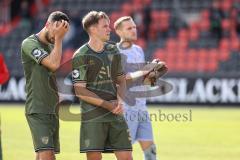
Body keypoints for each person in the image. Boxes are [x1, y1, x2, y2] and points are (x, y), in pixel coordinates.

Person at [72, 11, 132, 160]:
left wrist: (119, 101)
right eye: (105, 26)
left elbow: (121, 80)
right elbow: (80, 90)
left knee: (127, 157)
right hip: (93, 117)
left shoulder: (113, 50)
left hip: (115, 115)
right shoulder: (81, 55)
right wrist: (108, 105)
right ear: (93, 29)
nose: (109, 29)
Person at [21, 11, 69, 160]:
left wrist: (57, 95)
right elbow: (54, 65)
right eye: (57, 30)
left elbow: (51, 75)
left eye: (63, 32)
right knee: (46, 155)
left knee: (46, 155)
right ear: (47, 24)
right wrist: (60, 39)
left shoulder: (50, 48)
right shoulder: (29, 43)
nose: (58, 36)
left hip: (51, 109)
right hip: (38, 108)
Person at [114, 16, 158, 160]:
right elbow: (120, 78)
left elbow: (144, 81)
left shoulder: (138, 50)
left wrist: (154, 74)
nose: (134, 30)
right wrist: (144, 70)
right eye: (129, 28)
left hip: (141, 108)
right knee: (125, 154)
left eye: (134, 27)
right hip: (126, 108)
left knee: (151, 151)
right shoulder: (115, 52)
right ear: (119, 31)